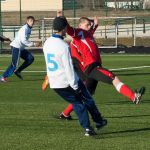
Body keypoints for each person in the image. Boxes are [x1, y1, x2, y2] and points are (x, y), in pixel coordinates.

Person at [55, 12, 145, 119]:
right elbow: (69, 29)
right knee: (113, 78)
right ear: (80, 26)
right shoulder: (78, 33)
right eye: (87, 24)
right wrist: (62, 18)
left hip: (92, 68)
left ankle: (65, 113)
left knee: (85, 95)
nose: (89, 26)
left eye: (90, 24)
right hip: (92, 67)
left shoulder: (88, 34)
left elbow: (91, 29)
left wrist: (95, 24)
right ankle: (133, 97)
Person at [43, 16, 107, 136]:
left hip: (55, 83)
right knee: (85, 100)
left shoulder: (47, 43)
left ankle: (93, 125)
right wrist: (75, 85)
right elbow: (68, 68)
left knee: (79, 102)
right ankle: (95, 124)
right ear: (63, 29)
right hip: (66, 81)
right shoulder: (63, 46)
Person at [0, 16, 41, 82]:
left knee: (30, 58)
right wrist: (34, 44)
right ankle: (3, 77)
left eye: (33, 21)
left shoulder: (29, 28)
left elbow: (24, 40)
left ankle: (18, 71)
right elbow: (23, 40)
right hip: (16, 47)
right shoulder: (25, 28)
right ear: (27, 21)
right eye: (31, 21)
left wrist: (32, 44)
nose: (32, 22)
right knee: (14, 64)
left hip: (20, 48)